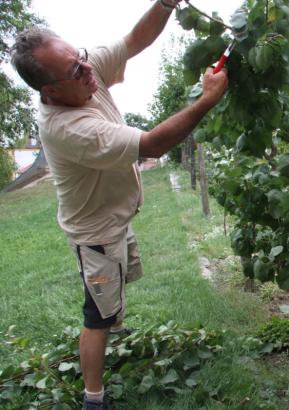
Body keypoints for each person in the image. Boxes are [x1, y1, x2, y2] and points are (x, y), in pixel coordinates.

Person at [10, 0, 228, 408]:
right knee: (97, 317)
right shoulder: (69, 129)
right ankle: (94, 398)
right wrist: (206, 101)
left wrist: (164, 4)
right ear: (51, 91)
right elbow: (152, 144)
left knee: (115, 293)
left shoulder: (79, 70)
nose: (88, 69)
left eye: (81, 57)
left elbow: (133, 41)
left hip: (115, 217)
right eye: (76, 70)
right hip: (96, 234)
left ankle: (116, 321)